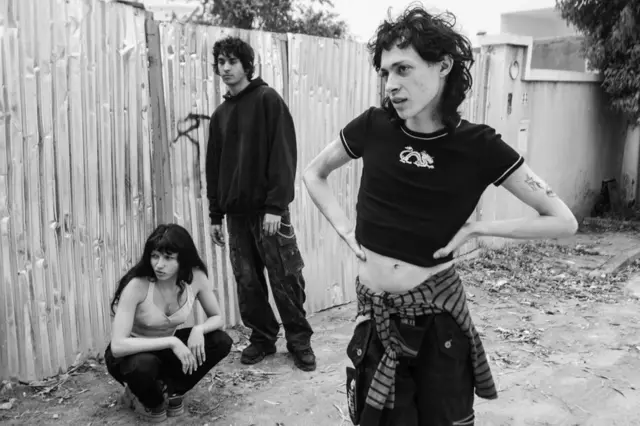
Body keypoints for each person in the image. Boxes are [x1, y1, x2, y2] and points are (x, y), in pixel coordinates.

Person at [303, 6, 578, 426]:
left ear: (444, 65)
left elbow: (562, 219)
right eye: (385, 72)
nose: (391, 84)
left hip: (437, 328)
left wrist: (478, 228)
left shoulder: (478, 146)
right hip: (376, 323)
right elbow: (314, 173)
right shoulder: (373, 127)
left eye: (403, 69)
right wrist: (343, 228)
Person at [205, 36, 316, 372]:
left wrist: (275, 205)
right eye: (220, 63)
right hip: (236, 216)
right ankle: (262, 338)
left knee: (285, 276)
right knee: (247, 281)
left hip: (269, 211)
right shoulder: (220, 115)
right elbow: (214, 168)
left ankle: (299, 341)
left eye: (232, 62)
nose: (225, 68)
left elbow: (283, 155)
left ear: (247, 65)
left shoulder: (268, 100)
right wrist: (215, 214)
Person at [104, 224, 233, 423]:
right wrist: (172, 342)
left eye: (168, 258)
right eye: (155, 256)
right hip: (131, 355)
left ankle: (173, 392)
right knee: (144, 366)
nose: (159, 265)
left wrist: (199, 329)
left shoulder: (196, 277)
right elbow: (118, 346)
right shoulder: (137, 285)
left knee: (220, 340)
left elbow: (218, 318)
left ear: (183, 258)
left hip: (164, 351)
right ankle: (148, 399)